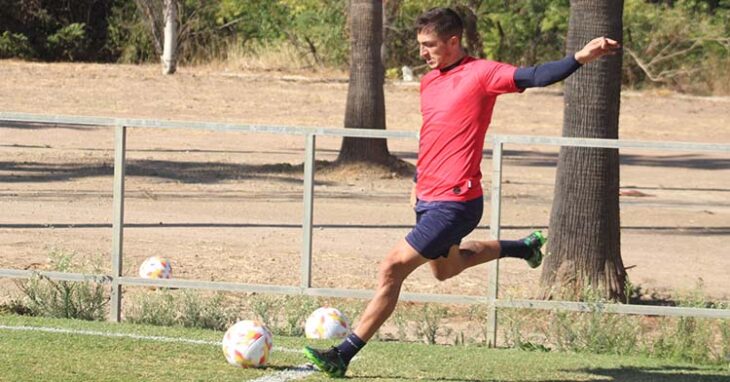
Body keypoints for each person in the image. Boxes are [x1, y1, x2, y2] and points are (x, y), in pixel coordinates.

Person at [304, 7, 621, 377]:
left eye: (430, 45)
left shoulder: (483, 74)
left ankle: (342, 354)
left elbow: (534, 76)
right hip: (428, 199)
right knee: (446, 270)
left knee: (391, 268)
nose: (423, 53)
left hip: (456, 202)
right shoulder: (429, 82)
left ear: (453, 42)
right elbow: (433, 136)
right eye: (421, 45)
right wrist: (416, 181)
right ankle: (524, 247)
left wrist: (580, 58)